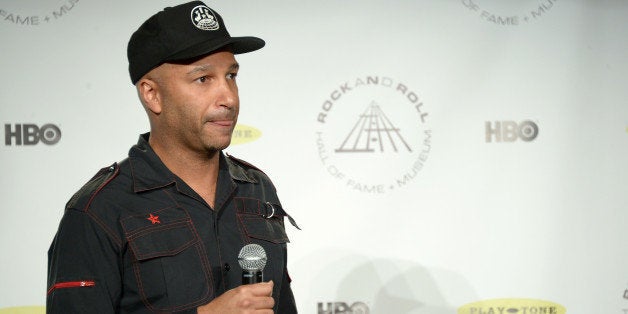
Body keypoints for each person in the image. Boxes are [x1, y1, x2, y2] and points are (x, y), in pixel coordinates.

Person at [46, 1, 298, 313]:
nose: (229, 98)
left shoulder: (257, 187)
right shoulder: (97, 211)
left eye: (231, 75)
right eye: (203, 79)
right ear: (152, 94)